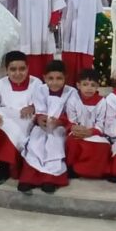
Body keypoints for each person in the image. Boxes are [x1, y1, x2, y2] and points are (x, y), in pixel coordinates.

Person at [0, 50, 41, 185]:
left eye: (22, 69)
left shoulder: (36, 83)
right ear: (6, 70)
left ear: (28, 68)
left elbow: (43, 104)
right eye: (13, 69)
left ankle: (2, 165)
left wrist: (33, 107)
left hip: (24, 119)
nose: (18, 73)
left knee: (14, 129)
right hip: (4, 115)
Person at [20, 60, 74, 193]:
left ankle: (50, 179)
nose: (54, 82)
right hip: (42, 126)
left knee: (54, 145)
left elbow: (72, 114)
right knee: (35, 144)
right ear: (44, 78)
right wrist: (40, 119)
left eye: (59, 78)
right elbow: (39, 110)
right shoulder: (40, 90)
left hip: (60, 127)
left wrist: (60, 122)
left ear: (65, 78)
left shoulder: (71, 92)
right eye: (50, 78)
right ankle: (29, 179)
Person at [59, 0, 103, 85]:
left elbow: (98, 8)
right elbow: (58, 1)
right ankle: (69, 85)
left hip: (87, 27)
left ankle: (84, 85)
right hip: (70, 24)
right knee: (70, 57)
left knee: (85, 57)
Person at [65, 68, 111, 179]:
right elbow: (71, 120)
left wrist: (90, 131)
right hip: (77, 132)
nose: (89, 88)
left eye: (93, 85)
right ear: (78, 85)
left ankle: (95, 171)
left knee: (104, 147)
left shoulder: (102, 102)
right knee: (72, 142)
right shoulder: (73, 100)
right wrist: (76, 128)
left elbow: (100, 124)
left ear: (97, 87)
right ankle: (72, 168)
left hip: (94, 133)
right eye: (85, 84)